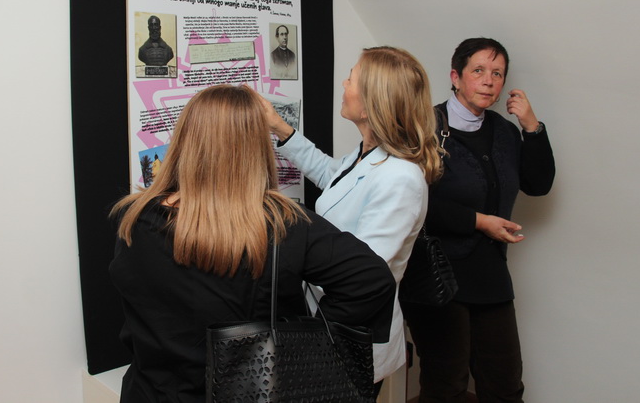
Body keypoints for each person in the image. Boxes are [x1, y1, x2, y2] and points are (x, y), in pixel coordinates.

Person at [109, 84, 396, 403]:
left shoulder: (135, 218)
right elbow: (371, 280)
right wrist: (310, 342)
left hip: (151, 392)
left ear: (185, 140)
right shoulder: (281, 224)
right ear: (255, 149)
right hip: (252, 392)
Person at [261, 46, 443, 388]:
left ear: (373, 102)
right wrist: (279, 127)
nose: (344, 84)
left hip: (352, 334)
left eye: (352, 79)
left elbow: (365, 274)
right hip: (329, 320)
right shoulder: (369, 155)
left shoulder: (401, 179)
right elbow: (332, 177)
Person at [401, 38, 556, 403]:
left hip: (491, 277)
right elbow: (410, 202)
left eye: (498, 74)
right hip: (437, 277)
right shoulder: (424, 127)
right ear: (455, 77)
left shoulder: (504, 131)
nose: (489, 81)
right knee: (446, 386)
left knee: (505, 385)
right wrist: (478, 221)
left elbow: (538, 184)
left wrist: (531, 127)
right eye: (479, 71)